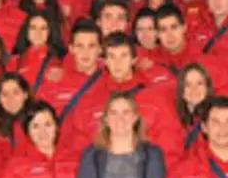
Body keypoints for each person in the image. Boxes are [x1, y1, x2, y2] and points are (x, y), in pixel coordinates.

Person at [62, 32, 183, 165]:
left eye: (123, 56)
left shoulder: (155, 100)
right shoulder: (88, 103)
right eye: (112, 57)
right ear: (105, 61)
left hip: (146, 177)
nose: (117, 63)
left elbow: (170, 148)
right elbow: (77, 152)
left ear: (134, 60)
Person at [152, 4, 228, 105]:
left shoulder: (205, 60)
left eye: (174, 27)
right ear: (157, 34)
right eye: (163, 30)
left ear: (184, 28)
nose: (169, 35)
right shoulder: (152, 64)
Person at [36, 19, 103, 117]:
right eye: (80, 46)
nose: (85, 52)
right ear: (71, 49)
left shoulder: (110, 80)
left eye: (91, 46)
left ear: (100, 49)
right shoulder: (54, 80)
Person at [9, 13, 65, 92]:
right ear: (26, 31)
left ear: (50, 32)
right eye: (33, 27)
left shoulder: (60, 62)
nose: (38, 32)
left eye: (43, 28)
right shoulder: (14, 62)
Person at [174, 63, 213, 151]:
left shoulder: (216, 116)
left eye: (199, 83)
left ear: (207, 87)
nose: (194, 89)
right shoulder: (173, 117)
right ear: (181, 89)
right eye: (188, 84)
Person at [0, 72, 33, 152]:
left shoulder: (38, 121)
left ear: (25, 95)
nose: (11, 99)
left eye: (16, 93)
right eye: (5, 94)